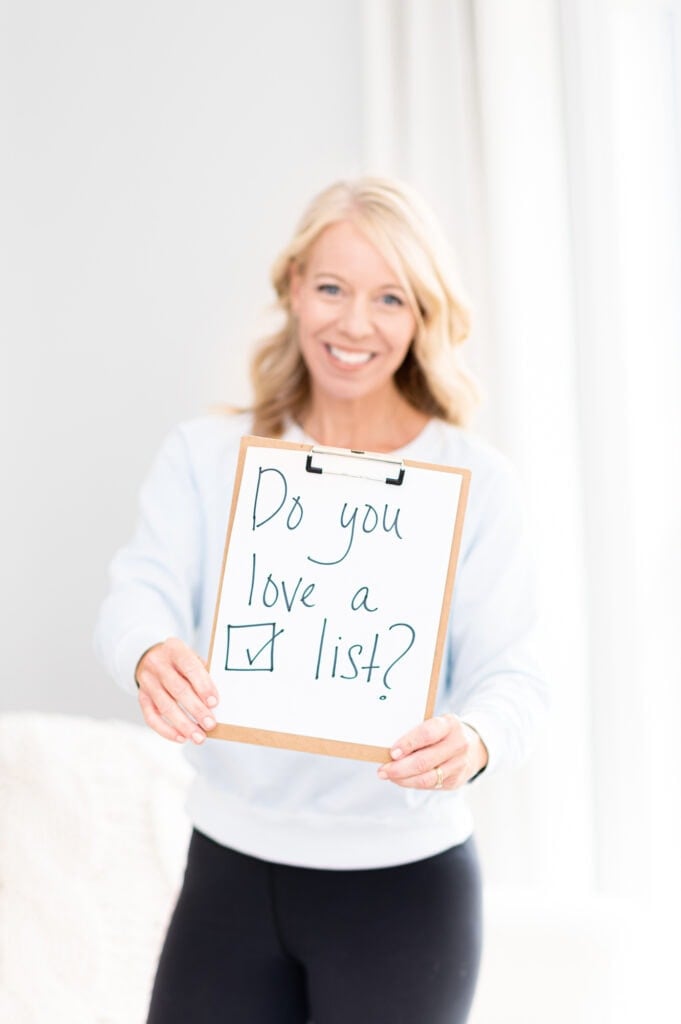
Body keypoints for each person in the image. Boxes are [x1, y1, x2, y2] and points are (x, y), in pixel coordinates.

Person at [94, 177, 548, 1024]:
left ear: (422, 318)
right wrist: (151, 653)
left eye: (389, 298)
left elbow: (516, 680)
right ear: (293, 286)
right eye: (332, 287)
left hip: (405, 885)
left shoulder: (478, 484)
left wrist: (473, 738)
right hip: (228, 862)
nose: (353, 323)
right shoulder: (206, 455)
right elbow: (137, 596)